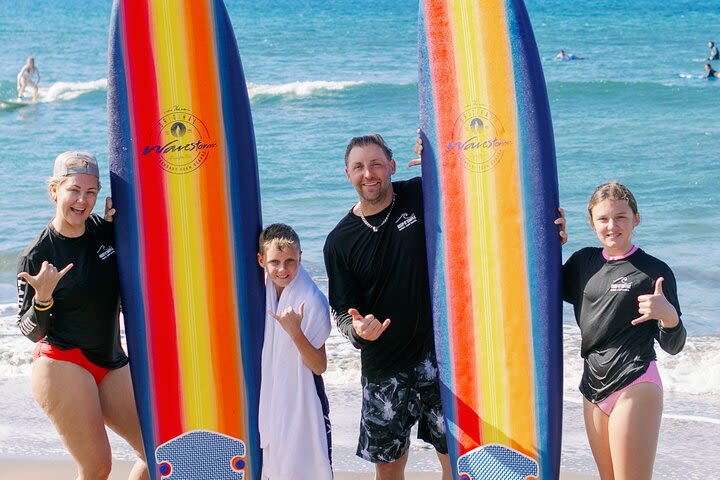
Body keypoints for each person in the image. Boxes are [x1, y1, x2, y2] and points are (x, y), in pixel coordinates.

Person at [323, 133, 450, 480]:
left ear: (391, 167)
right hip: (384, 370)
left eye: (377, 164)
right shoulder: (339, 241)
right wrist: (359, 332)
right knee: (390, 469)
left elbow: (471, 185)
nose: (369, 173)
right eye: (359, 166)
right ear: (347, 173)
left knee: (454, 457)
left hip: (437, 360)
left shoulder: (417, 194)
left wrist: (439, 156)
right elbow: (342, 312)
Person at [16, 151, 148, 480]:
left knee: (158, 448)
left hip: (110, 359)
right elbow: (29, 330)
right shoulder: (38, 255)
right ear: (54, 191)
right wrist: (43, 298)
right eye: (74, 190)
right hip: (62, 361)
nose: (82, 200)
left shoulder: (103, 233)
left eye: (91, 192)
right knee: (96, 466)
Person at [559, 181, 686, 480]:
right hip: (592, 386)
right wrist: (552, 244)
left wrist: (668, 317)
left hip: (634, 381)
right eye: (603, 218)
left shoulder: (653, 271)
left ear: (636, 219)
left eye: (621, 217)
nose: (611, 226)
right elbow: (539, 287)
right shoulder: (582, 263)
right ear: (591, 222)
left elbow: (674, 344)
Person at [257, 223, 332, 480]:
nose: (283, 269)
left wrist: (295, 332)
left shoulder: (310, 300)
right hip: (274, 399)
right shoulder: (263, 292)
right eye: (275, 262)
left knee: (307, 469)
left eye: (290, 261)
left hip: (305, 398)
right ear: (261, 260)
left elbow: (319, 366)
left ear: (300, 258)